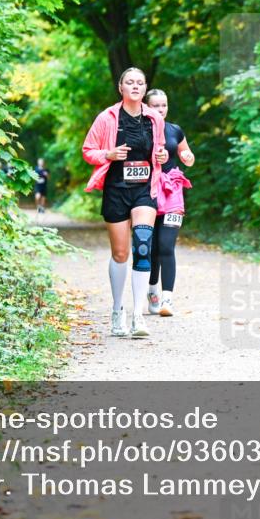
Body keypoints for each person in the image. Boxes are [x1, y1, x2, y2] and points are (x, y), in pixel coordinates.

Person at [83, 68, 169, 338]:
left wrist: (163, 156)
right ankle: (118, 310)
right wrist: (108, 154)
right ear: (120, 87)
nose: (135, 86)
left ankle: (138, 316)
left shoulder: (154, 118)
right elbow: (88, 151)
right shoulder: (107, 118)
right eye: (129, 82)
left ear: (145, 89)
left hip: (145, 188)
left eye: (140, 83)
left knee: (143, 244)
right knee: (121, 254)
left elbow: (160, 150)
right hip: (116, 189)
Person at [143, 89, 195, 317]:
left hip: (172, 191)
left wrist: (187, 157)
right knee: (150, 248)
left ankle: (167, 300)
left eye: (163, 105)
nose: (161, 110)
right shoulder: (141, 129)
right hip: (148, 191)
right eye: (156, 105)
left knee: (166, 246)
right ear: (147, 107)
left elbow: (187, 155)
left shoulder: (175, 130)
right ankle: (152, 291)